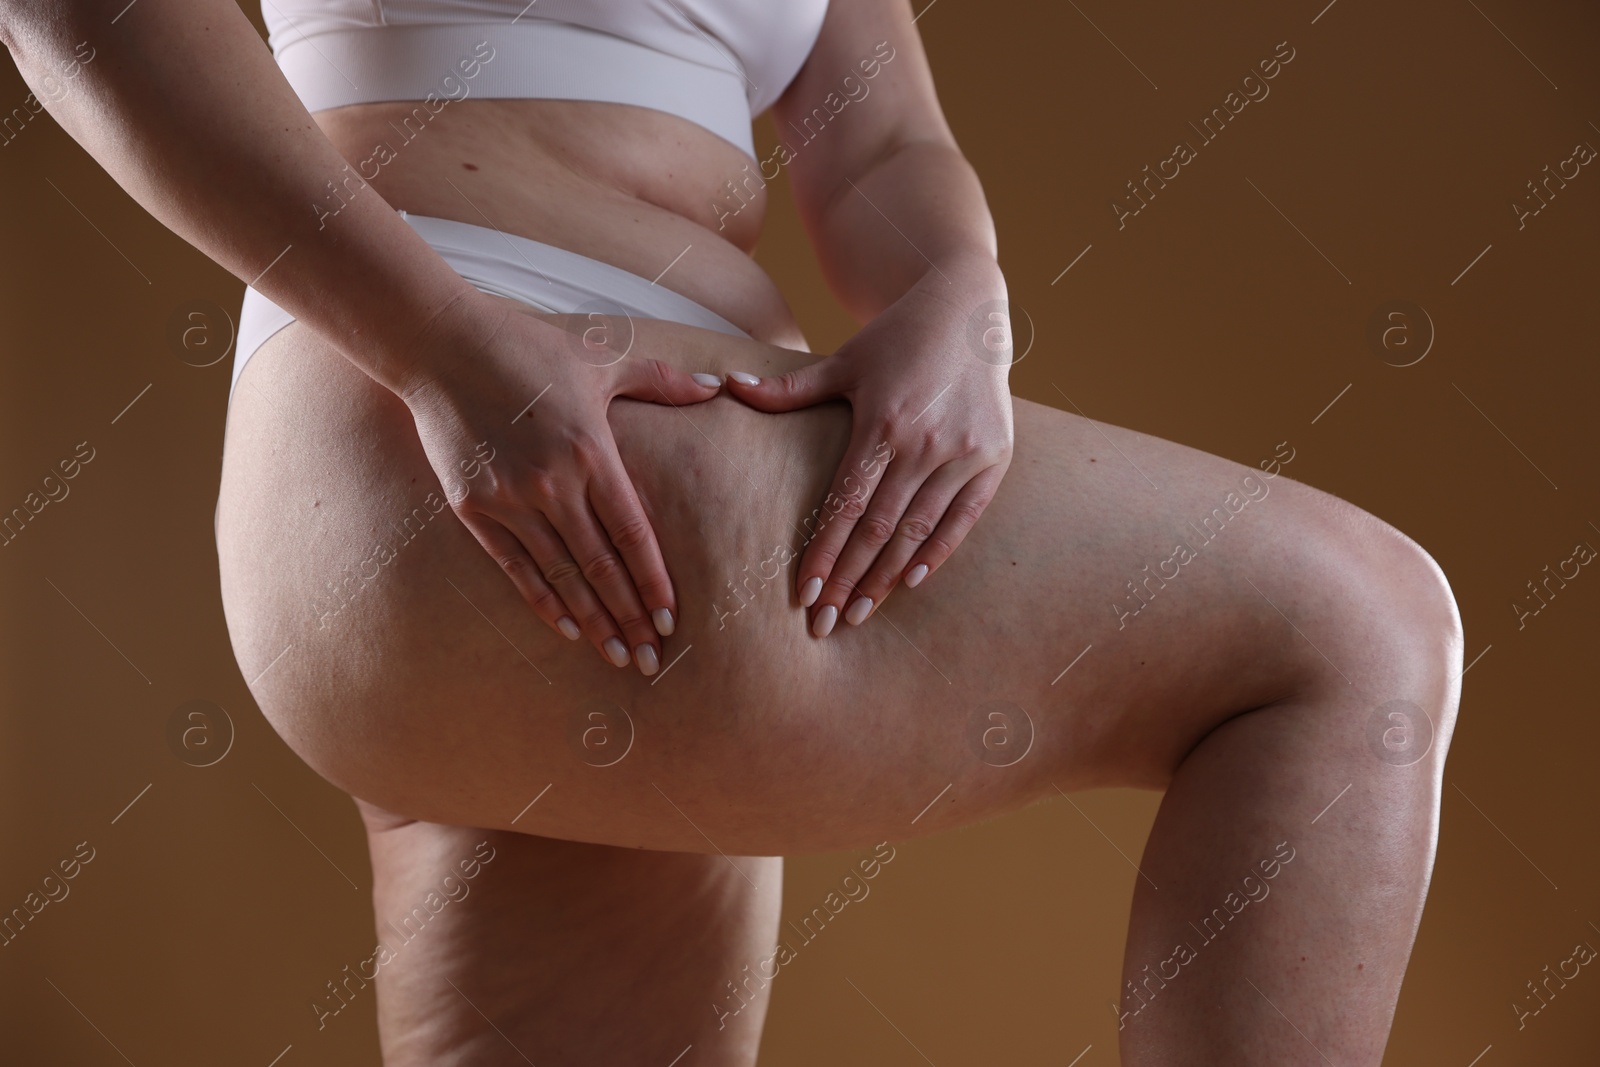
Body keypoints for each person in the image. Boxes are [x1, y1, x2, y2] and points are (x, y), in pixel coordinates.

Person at [1, 0, 1463, 1063]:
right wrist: (445, 347)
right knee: (1354, 629)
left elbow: (881, 147)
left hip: (495, 547)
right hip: (487, 421)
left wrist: (961, 294)